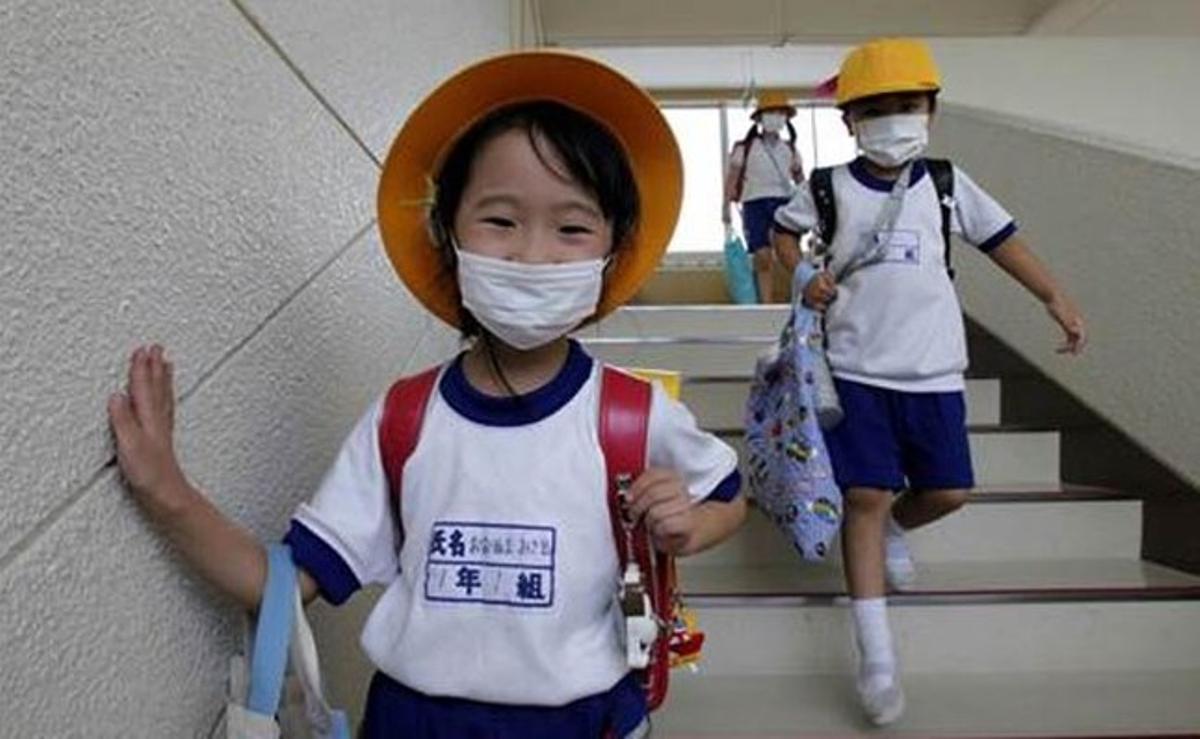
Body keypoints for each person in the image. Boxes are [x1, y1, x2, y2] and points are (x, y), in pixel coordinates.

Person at [108, 51, 746, 739]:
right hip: (414, 720)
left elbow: (728, 494)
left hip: (587, 720)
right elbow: (286, 588)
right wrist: (166, 491)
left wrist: (691, 526)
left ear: (611, 251)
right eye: (500, 221)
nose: (532, 255)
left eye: (571, 228)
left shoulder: (631, 412)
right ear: (447, 234)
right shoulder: (404, 419)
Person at [770, 38, 1087, 726]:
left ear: (931, 111)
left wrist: (1053, 296)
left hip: (935, 371)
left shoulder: (946, 183)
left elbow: (1003, 239)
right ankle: (877, 655)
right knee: (864, 496)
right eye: (874, 109)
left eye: (905, 105)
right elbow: (783, 233)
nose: (891, 120)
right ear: (850, 120)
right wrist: (802, 275)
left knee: (948, 491)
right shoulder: (827, 186)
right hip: (854, 368)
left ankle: (892, 531)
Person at [724, 90, 805, 303]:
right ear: (759, 118)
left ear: (786, 118)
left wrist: (809, 204)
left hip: (784, 203)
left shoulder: (790, 149)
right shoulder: (745, 147)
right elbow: (732, 178)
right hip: (754, 203)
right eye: (770, 112)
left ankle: (799, 300)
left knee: (790, 255)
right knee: (762, 257)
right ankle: (766, 304)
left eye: (780, 112)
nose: (775, 116)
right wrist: (725, 207)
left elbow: (800, 180)